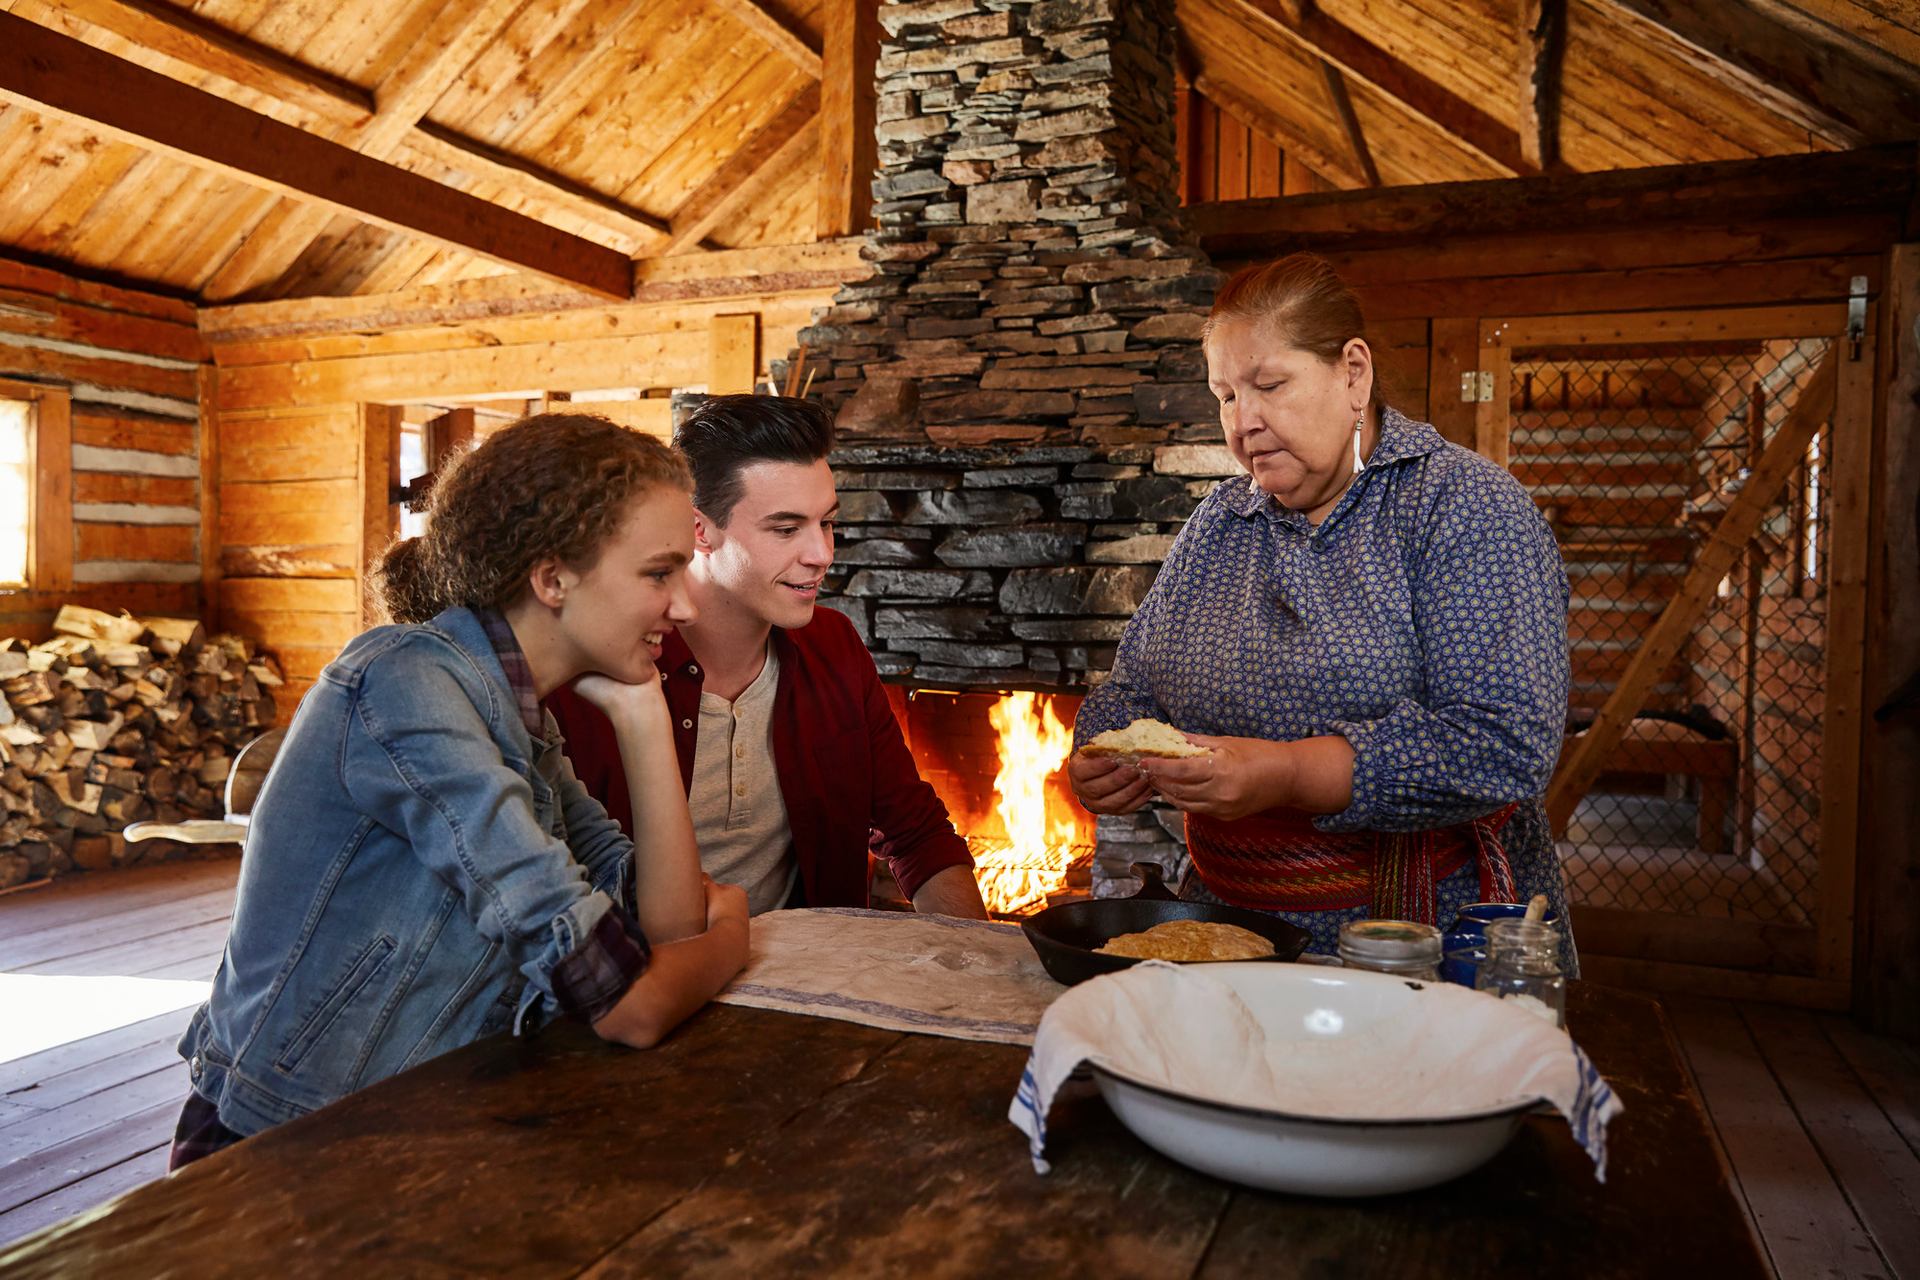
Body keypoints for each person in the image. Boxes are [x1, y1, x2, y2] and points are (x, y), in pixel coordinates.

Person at [170, 414, 750, 1169]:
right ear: (552, 579)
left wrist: (642, 718)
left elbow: (663, 927)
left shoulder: (516, 715)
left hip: (418, 1131)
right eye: (658, 573)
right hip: (276, 1147)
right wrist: (734, 941)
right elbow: (629, 1006)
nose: (686, 605)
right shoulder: (408, 683)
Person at [1068, 253, 1576, 960]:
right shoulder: (1221, 523)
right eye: (1225, 396)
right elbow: (1134, 688)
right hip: (1227, 930)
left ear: (1353, 373)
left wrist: (1287, 773)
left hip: (1418, 941)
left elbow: (1502, 745)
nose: (1243, 422)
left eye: (1269, 384)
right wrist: (1102, 750)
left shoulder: (1463, 508)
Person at [547, 395, 987, 919]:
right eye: (785, 529)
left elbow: (917, 835)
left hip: (814, 985)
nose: (821, 553)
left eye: (825, 522)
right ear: (698, 529)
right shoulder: (590, 678)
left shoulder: (835, 645)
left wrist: (974, 961)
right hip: (646, 988)